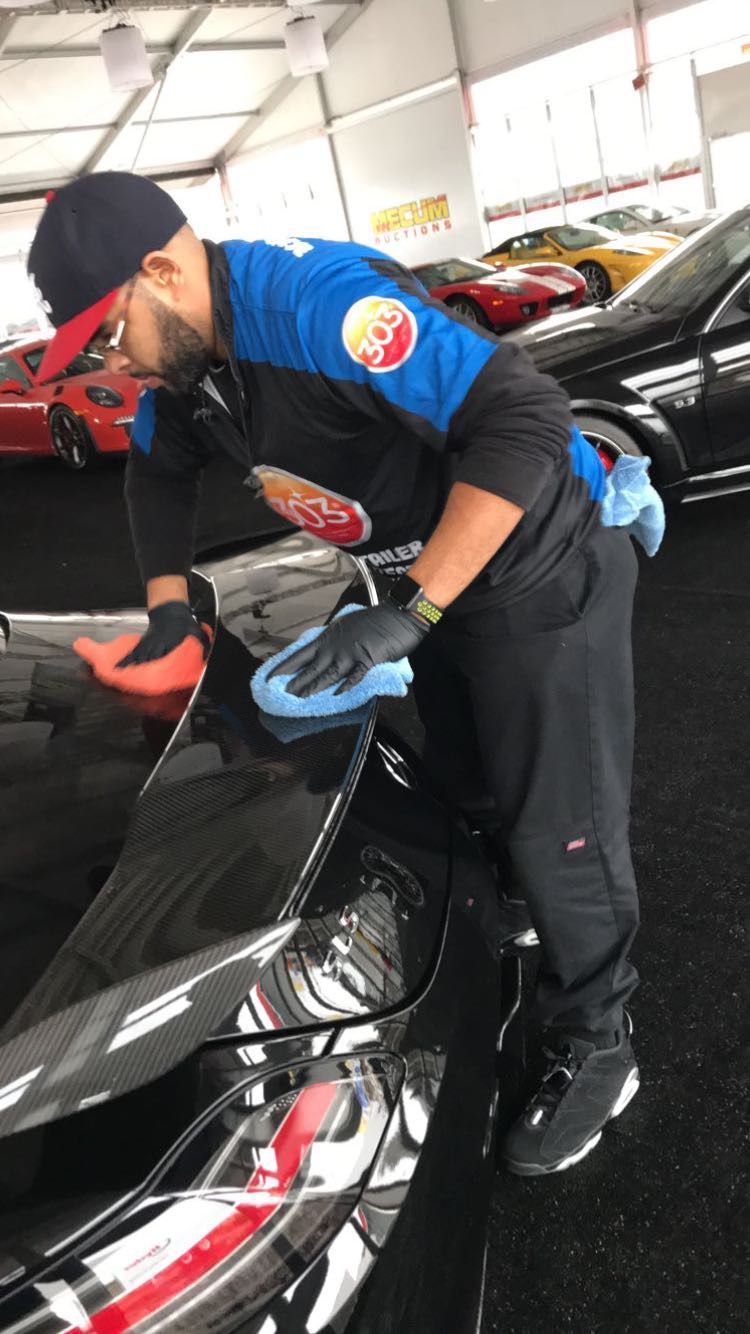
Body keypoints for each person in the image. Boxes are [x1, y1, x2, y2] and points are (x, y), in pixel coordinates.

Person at [29, 172, 641, 1176]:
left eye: (109, 335)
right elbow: (156, 469)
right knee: (468, 774)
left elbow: (524, 418)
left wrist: (411, 611)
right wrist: (170, 609)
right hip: (429, 578)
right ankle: (533, 908)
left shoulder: (322, 312)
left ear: (161, 272)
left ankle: (601, 1041)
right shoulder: (192, 370)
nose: (114, 362)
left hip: (539, 566)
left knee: (559, 818)